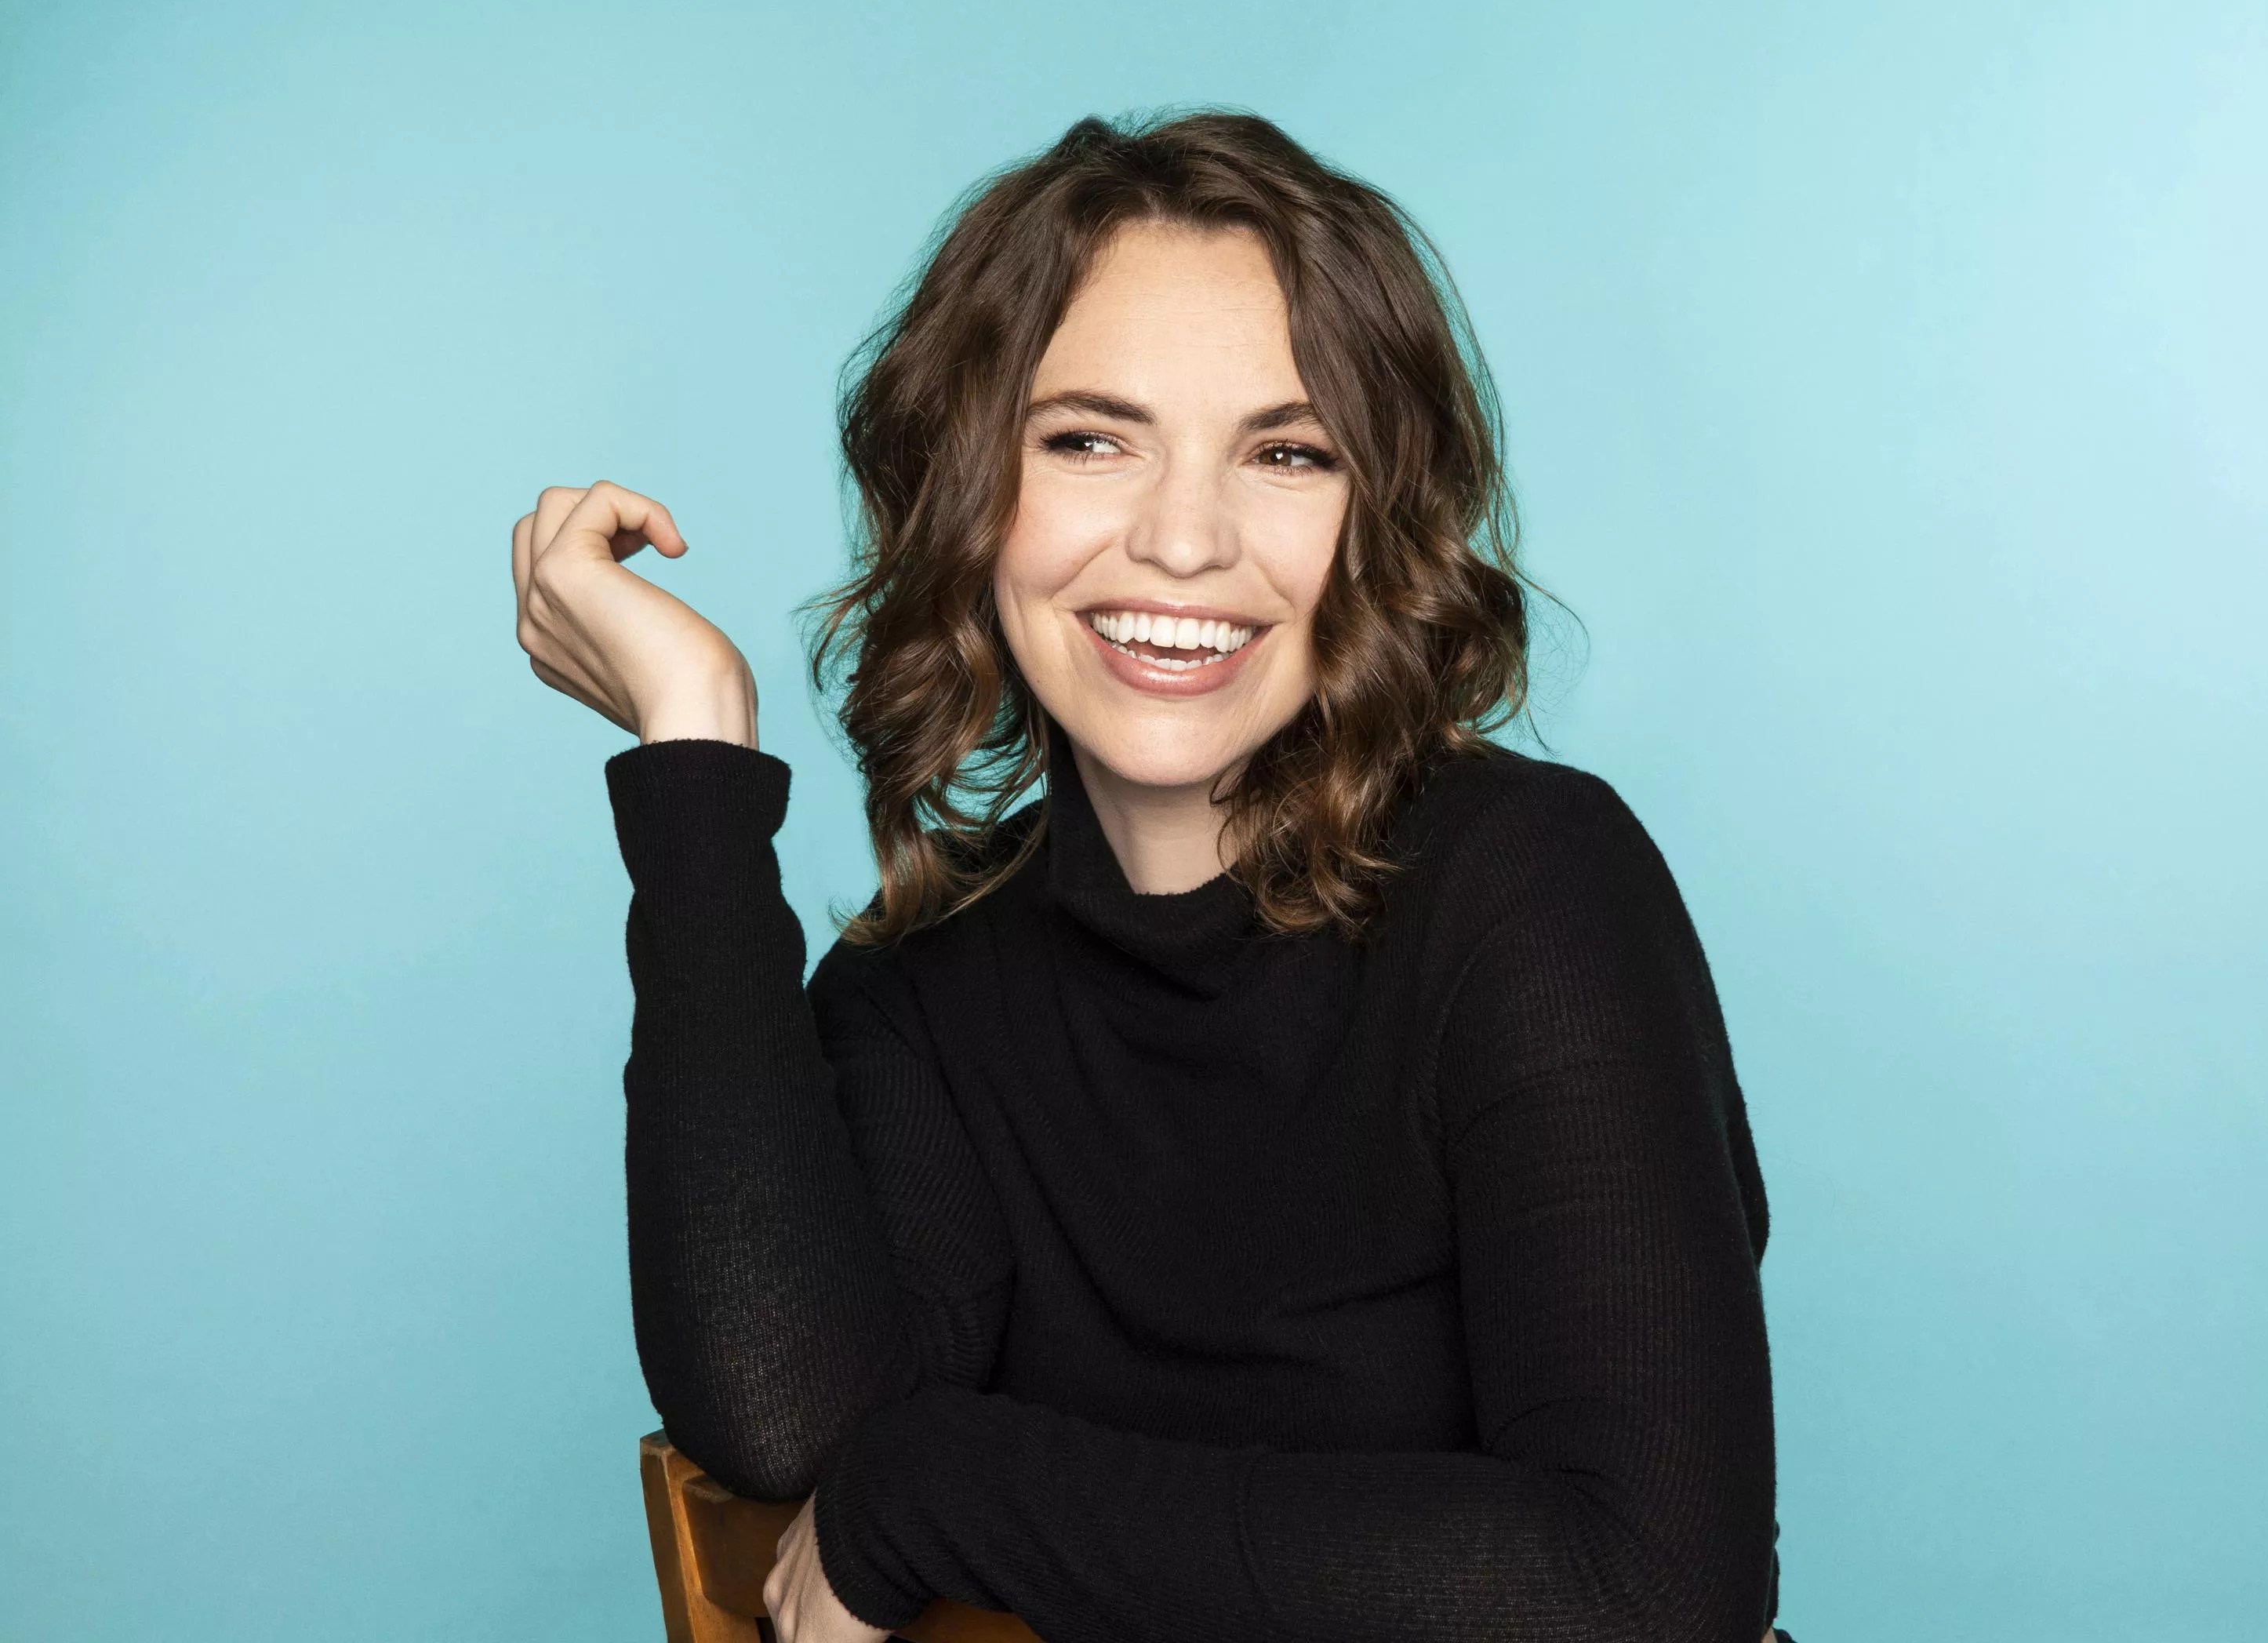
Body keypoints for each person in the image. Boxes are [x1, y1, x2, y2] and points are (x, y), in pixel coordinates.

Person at [511, 111, 1786, 1643]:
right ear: (970, 494)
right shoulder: (931, 977)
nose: (1183, 540)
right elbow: (782, 1420)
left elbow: (1648, 1594)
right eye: (1090, 440)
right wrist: (695, 769)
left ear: (1377, 523)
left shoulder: (1532, 889)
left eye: (1288, 451)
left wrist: (944, 1490)